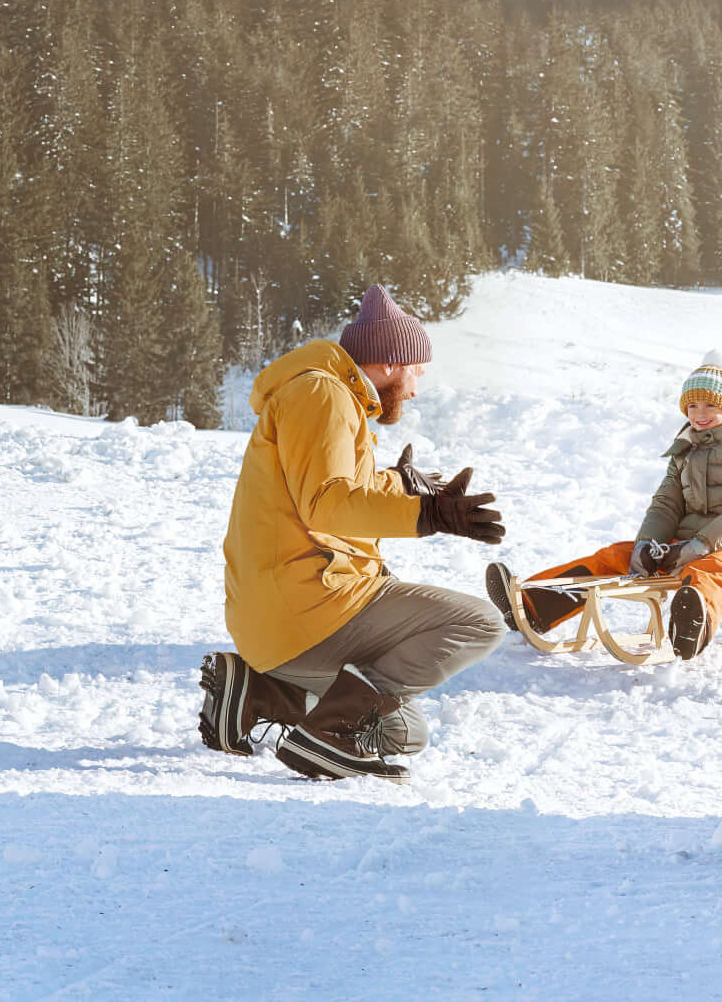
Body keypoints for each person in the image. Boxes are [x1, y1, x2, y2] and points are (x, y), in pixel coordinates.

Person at [198, 285, 507, 780]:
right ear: (389, 361)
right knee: (480, 625)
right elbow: (326, 503)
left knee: (407, 730)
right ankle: (330, 732)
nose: (416, 388)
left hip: (281, 614)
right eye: (416, 371)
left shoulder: (324, 395)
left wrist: (400, 483)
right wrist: (427, 515)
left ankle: (257, 693)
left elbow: (333, 484)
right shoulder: (321, 394)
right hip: (306, 605)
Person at [489, 357, 722, 660]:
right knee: (614, 557)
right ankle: (531, 605)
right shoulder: (684, 448)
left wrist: (699, 545)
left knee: (709, 570)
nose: (699, 414)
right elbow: (665, 504)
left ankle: (693, 629)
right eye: (692, 407)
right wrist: (646, 545)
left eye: (709, 406)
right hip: (682, 544)